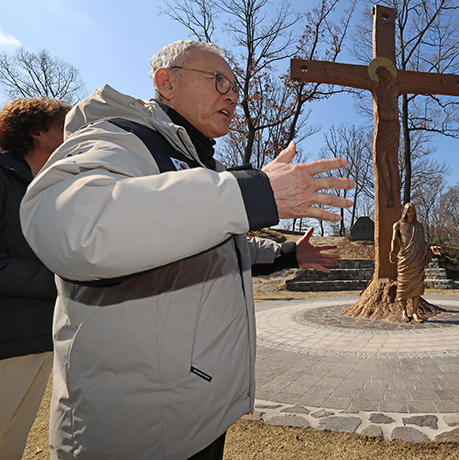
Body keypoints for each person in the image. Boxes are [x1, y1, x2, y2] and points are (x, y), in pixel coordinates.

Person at [19, 40, 354, 460]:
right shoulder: (121, 138)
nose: (232, 95)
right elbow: (77, 228)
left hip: (196, 417)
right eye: (218, 81)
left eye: (235, 87)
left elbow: (221, 250)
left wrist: (288, 255)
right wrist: (250, 194)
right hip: (133, 431)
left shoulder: (203, 171)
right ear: (167, 82)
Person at [0, 97, 69, 460]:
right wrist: (60, 280)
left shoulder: (43, 190)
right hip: (6, 344)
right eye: (64, 124)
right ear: (34, 131)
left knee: (11, 445)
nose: (74, 132)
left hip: (38, 341)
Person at [389, 202, 439, 322]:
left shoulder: (419, 226)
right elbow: (394, 240)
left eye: (412, 211)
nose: (410, 214)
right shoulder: (398, 225)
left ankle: (415, 312)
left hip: (416, 259)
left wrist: (430, 248)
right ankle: (404, 311)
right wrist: (392, 252)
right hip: (404, 259)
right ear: (404, 212)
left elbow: (422, 243)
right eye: (408, 211)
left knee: (417, 286)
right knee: (402, 287)